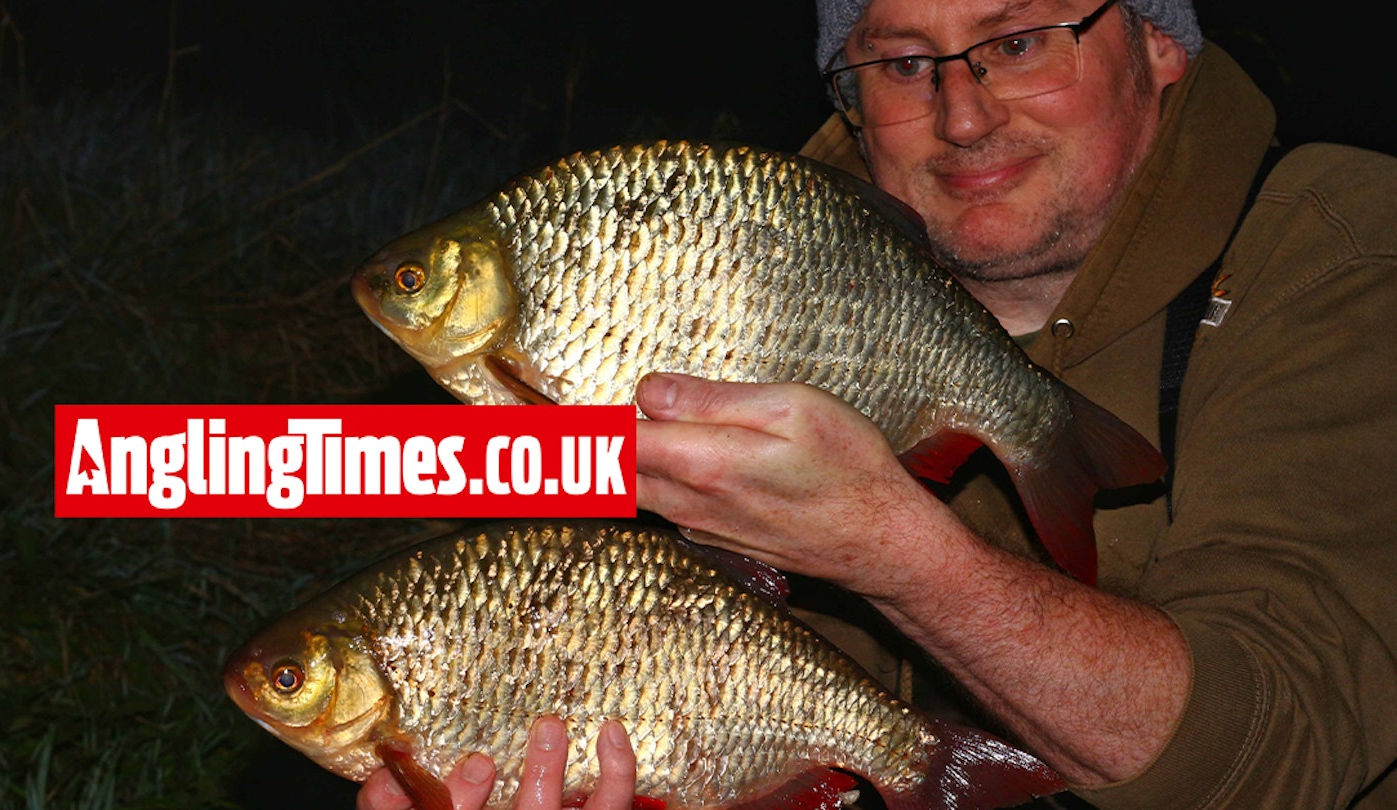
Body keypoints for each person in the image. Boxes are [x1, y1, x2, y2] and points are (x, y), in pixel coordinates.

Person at [362, 0, 1397, 807]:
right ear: (850, 101)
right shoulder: (722, 291)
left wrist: (897, 552)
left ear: (1160, 46)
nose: (963, 112)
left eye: (1022, 42)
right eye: (903, 64)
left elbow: (1277, 756)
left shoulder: (1344, 248)